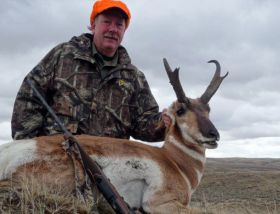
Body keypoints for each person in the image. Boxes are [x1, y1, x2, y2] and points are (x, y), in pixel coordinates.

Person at [11, 0, 170, 141]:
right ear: (93, 25)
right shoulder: (63, 55)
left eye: (119, 25)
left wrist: (164, 122)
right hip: (59, 162)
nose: (113, 29)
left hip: (109, 167)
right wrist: (30, 150)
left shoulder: (134, 77)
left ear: (124, 31)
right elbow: (29, 97)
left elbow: (143, 125)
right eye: (107, 22)